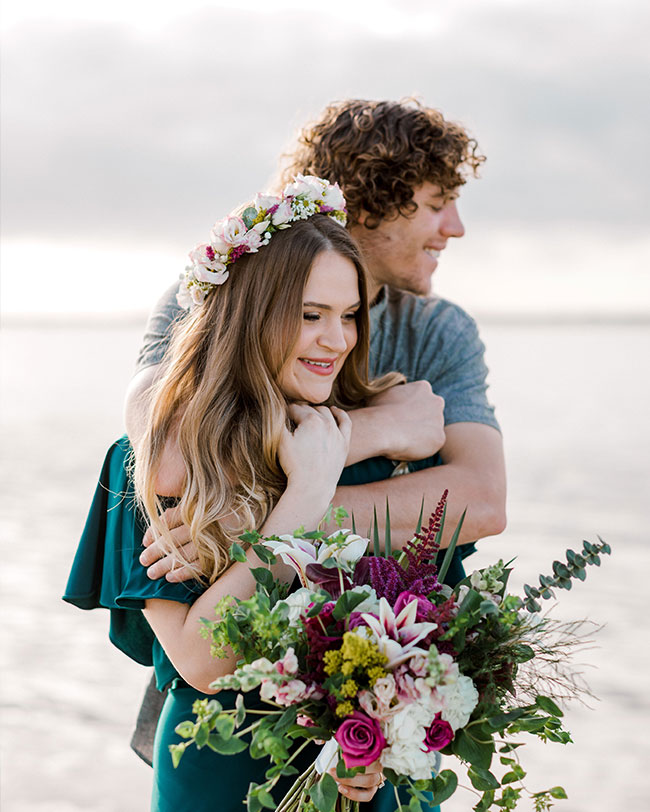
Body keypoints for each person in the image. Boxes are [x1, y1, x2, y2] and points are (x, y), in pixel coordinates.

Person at [64, 176, 442, 811]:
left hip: (368, 780)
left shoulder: (388, 456)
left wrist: (382, 740)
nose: (338, 339)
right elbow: (202, 661)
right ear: (249, 315)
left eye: (349, 315)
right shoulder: (158, 464)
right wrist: (302, 501)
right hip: (218, 775)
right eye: (310, 316)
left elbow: (431, 644)